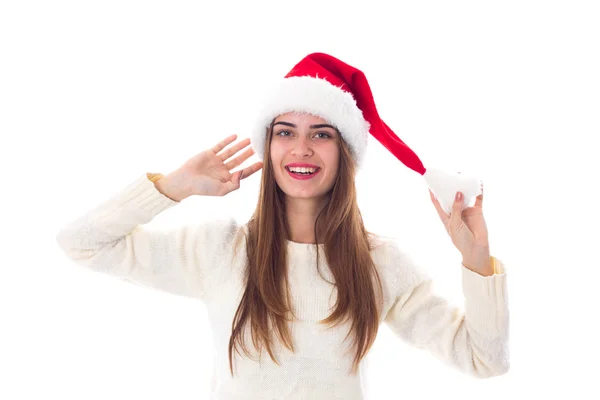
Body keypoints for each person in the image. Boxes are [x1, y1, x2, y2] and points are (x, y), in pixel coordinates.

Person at [56, 52, 509, 399]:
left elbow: (484, 359)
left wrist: (476, 259)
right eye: (286, 132)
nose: (302, 149)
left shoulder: (379, 264)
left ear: (344, 153)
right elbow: (82, 245)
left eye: (322, 134)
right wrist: (172, 187)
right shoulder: (220, 250)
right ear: (269, 145)